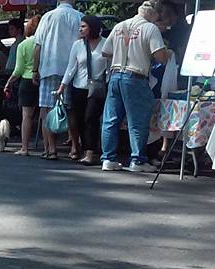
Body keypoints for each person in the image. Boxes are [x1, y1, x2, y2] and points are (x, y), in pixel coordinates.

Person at [99, 0, 170, 173]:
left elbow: (105, 52)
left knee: (111, 120)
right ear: (153, 14)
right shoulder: (150, 28)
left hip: (115, 75)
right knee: (137, 120)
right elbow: (161, 57)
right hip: (136, 76)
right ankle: (137, 160)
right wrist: (166, 52)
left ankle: (108, 159)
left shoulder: (119, 26)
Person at [32, 0, 82, 160]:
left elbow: (38, 45)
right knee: (71, 110)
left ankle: (51, 149)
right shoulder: (79, 17)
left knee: (47, 110)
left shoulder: (47, 17)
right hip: (72, 69)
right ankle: (75, 147)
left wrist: (34, 69)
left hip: (49, 68)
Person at [55, 15, 108, 165]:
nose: (80, 29)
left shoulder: (105, 44)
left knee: (90, 118)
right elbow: (71, 68)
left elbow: (109, 67)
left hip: (96, 88)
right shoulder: (78, 45)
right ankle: (85, 149)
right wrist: (62, 86)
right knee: (79, 120)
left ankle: (90, 153)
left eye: (84, 26)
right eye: (80, 26)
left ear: (93, 27)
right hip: (79, 87)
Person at [5, 15, 40, 156]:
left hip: (26, 80)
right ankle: (51, 148)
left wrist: (9, 82)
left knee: (27, 116)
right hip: (42, 79)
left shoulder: (23, 45)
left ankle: (24, 147)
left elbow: (18, 70)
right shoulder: (47, 43)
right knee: (45, 114)